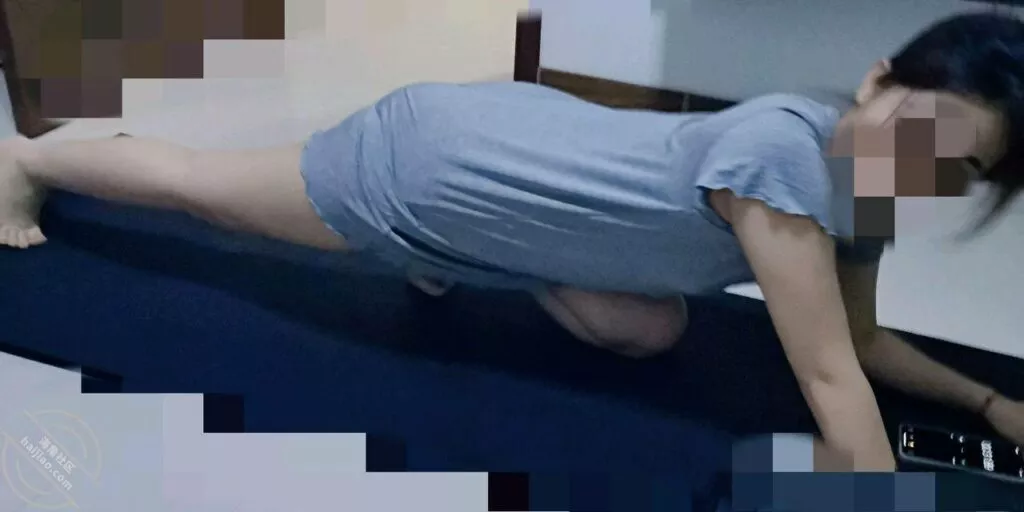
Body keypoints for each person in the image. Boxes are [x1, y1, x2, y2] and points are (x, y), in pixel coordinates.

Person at [2, 11, 1023, 471]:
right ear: (877, 81)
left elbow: (860, 345)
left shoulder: (867, 190)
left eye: (960, 167)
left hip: (529, 168)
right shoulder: (787, 161)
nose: (925, 168)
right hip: (440, 164)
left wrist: (988, 404)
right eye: (923, 131)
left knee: (651, 332)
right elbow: (830, 381)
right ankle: (30, 160)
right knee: (203, 192)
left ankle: (462, 255)